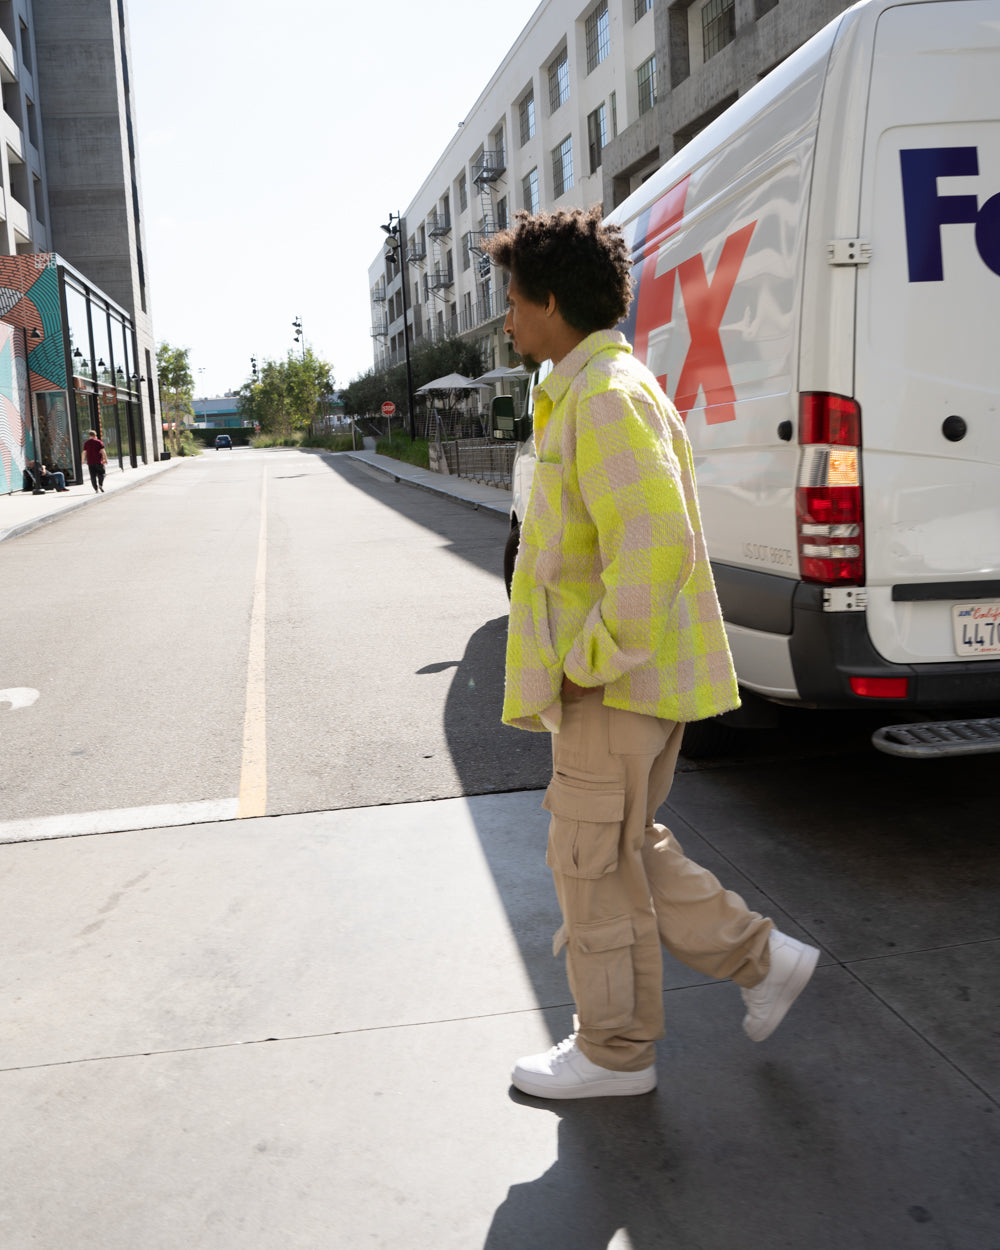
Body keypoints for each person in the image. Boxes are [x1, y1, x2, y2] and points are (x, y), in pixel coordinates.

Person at [482, 207, 819, 1100]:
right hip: (628, 685)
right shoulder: (593, 387)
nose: (506, 319)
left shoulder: (603, 395)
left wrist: (587, 663)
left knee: (589, 865)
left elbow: (657, 541)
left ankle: (614, 1054)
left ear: (552, 301)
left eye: (513, 301)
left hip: (615, 688)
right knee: (621, 845)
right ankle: (761, 961)